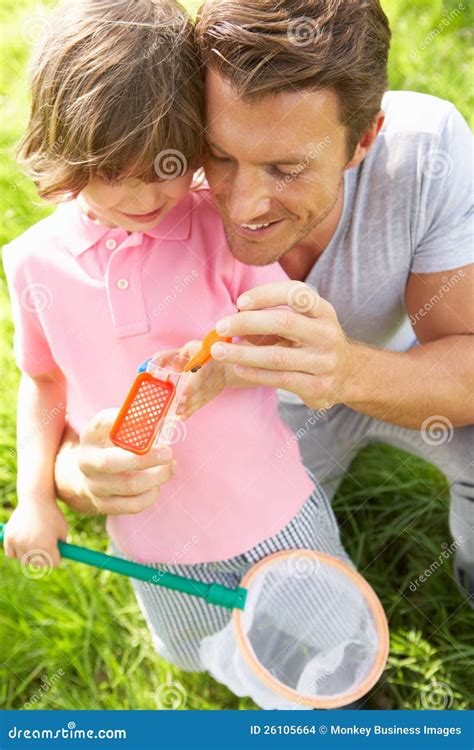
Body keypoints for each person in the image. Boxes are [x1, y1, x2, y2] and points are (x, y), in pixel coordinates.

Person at [54, 0, 473, 604]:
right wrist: (77, 476)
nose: (245, 206)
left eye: (286, 168)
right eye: (218, 155)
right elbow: (58, 387)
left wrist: (348, 370)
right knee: (264, 589)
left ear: (363, 139)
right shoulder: (143, 183)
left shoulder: (426, 154)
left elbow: (466, 361)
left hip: (388, 368)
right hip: (254, 419)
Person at [2, 0, 353, 700]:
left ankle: (338, 699)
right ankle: (253, 682)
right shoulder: (34, 263)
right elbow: (43, 383)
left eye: (164, 164)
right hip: (154, 541)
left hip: (271, 510)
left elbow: (287, 323)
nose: (143, 193)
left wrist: (222, 368)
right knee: (202, 651)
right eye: (111, 170)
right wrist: (35, 495)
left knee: (329, 636)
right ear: (65, 148)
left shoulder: (218, 227)